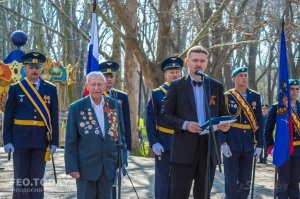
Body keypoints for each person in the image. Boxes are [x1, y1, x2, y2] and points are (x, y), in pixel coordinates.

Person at [161, 45, 230, 199]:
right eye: (195, 60)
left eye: (202, 61)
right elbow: (165, 115)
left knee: (203, 194)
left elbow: (222, 114)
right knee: (178, 194)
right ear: (187, 62)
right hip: (184, 149)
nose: (198, 64)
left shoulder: (216, 86)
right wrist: (185, 124)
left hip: (208, 149)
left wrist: (225, 126)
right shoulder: (177, 86)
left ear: (207, 63)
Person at [3, 51, 59, 198]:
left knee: (37, 179)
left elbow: (54, 117)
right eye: (30, 66)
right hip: (20, 140)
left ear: (41, 69)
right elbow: (8, 116)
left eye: (37, 67)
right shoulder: (16, 88)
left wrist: (54, 142)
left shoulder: (51, 89)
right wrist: (7, 140)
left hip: (41, 140)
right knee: (20, 179)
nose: (34, 70)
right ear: (24, 68)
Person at [64, 71, 126, 199]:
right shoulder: (76, 108)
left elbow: (121, 136)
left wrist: (122, 162)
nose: (96, 88)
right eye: (93, 84)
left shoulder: (114, 105)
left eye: (99, 84)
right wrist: (72, 166)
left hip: (109, 166)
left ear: (104, 86)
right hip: (85, 168)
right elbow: (71, 140)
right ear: (87, 86)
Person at [220, 66, 263, 199]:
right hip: (232, 141)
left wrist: (260, 143)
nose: (244, 77)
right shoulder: (227, 96)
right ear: (234, 79)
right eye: (240, 75)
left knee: (246, 178)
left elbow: (259, 121)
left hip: (248, 142)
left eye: (245, 75)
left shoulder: (255, 96)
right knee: (231, 178)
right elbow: (221, 121)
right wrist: (223, 142)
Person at [146, 56, 183, 199]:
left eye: (177, 71)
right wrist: (154, 141)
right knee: (163, 179)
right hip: (163, 141)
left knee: (180, 180)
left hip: (182, 141)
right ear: (165, 74)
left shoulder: (186, 91)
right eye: (171, 72)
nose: (174, 74)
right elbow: (150, 120)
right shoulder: (157, 94)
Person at [264, 79, 300, 198]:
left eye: (297, 89)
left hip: (298, 150)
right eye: (291, 89)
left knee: (295, 182)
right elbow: (268, 130)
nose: (294, 92)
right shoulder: (276, 107)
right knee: (283, 183)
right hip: (283, 149)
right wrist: (270, 148)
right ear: (286, 90)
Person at [99, 61, 132, 152]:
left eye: (111, 76)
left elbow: (126, 122)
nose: (109, 79)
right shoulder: (94, 95)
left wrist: (127, 146)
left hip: (116, 142)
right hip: (98, 140)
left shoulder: (122, 97)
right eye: (106, 76)